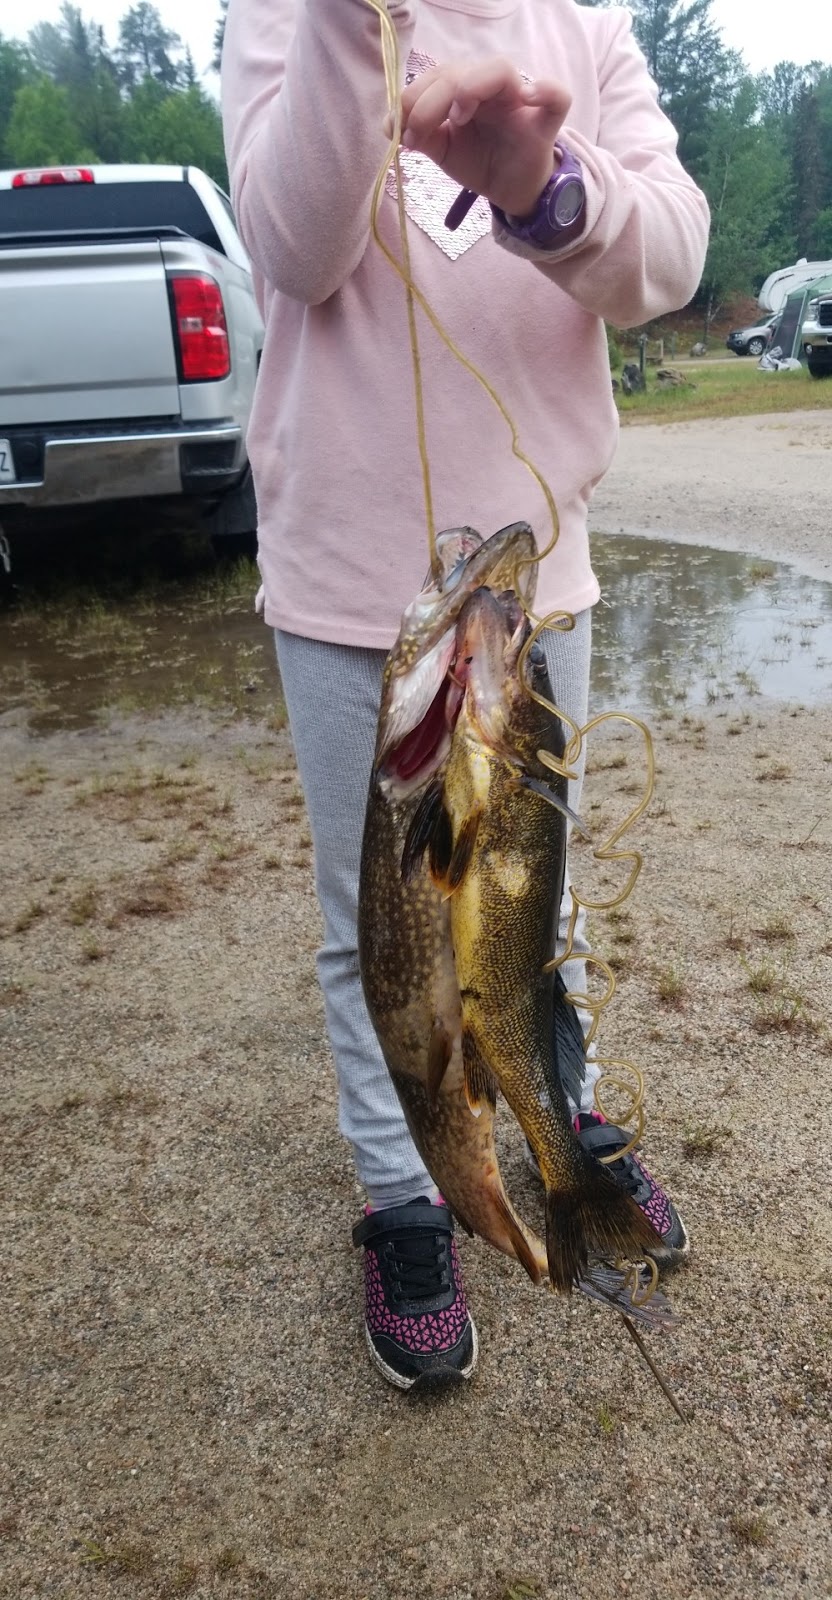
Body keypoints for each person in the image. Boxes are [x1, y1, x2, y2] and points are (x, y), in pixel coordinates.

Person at [221, 0, 709, 1390]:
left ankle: (566, 1129)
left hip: (531, 579)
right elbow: (294, 248)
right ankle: (408, 1195)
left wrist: (538, 185)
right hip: (344, 586)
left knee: (534, 899)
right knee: (379, 923)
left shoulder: (581, 21)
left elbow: (668, 259)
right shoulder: (281, 17)